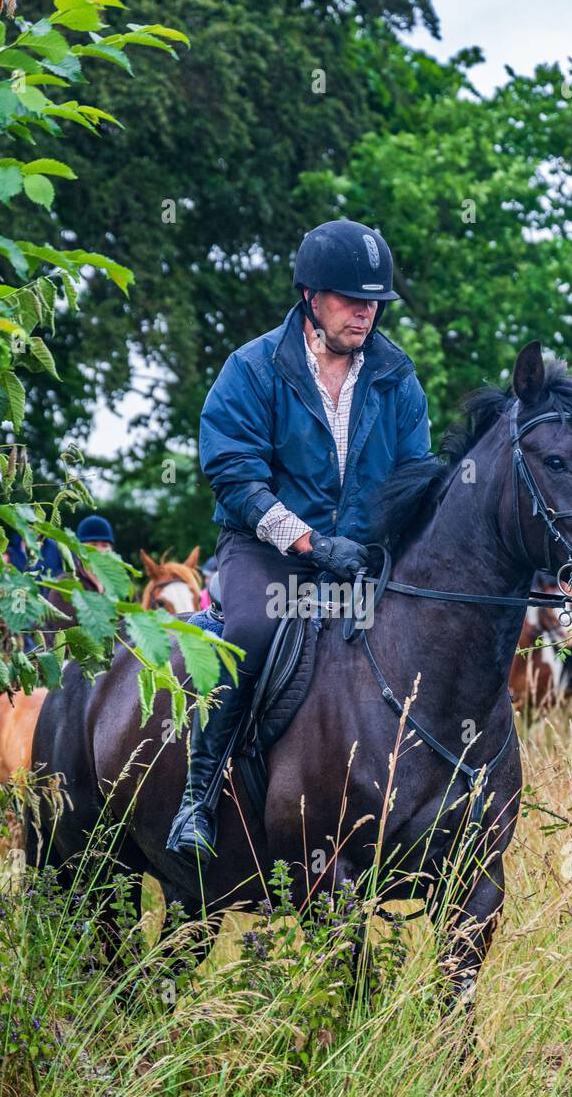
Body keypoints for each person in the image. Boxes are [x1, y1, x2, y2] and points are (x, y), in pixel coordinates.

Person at [166, 219, 431, 865]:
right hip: (266, 550)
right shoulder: (253, 368)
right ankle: (197, 798)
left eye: (374, 302)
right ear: (311, 295)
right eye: (350, 298)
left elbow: (414, 478)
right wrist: (310, 542)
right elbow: (233, 473)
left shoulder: (396, 376)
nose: (365, 312)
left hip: (363, 557)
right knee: (254, 629)